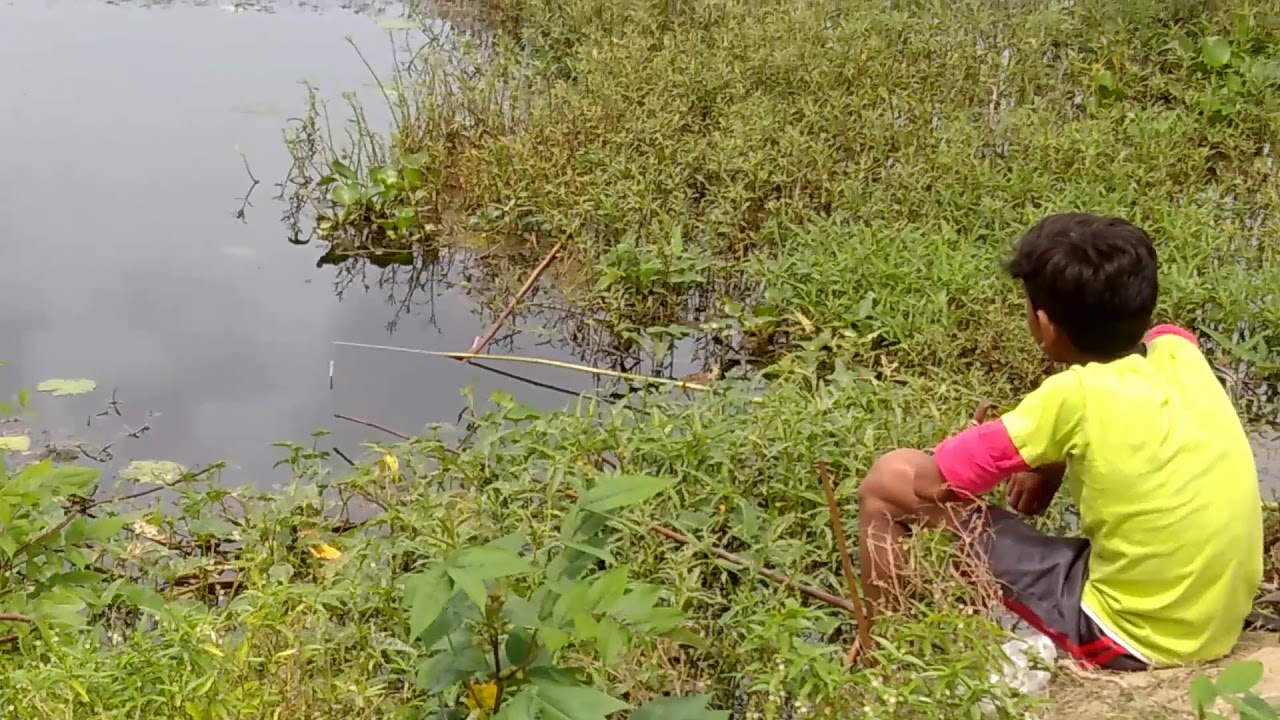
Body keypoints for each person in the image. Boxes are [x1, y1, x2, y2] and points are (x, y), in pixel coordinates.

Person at [856, 213, 1262, 670]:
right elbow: (1152, 347)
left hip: (1129, 636)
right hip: (1216, 620)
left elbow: (932, 484)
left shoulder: (1072, 397)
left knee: (888, 482)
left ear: (1044, 325)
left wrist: (972, 441)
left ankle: (888, 657)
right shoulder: (1178, 349)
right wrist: (1050, 462)